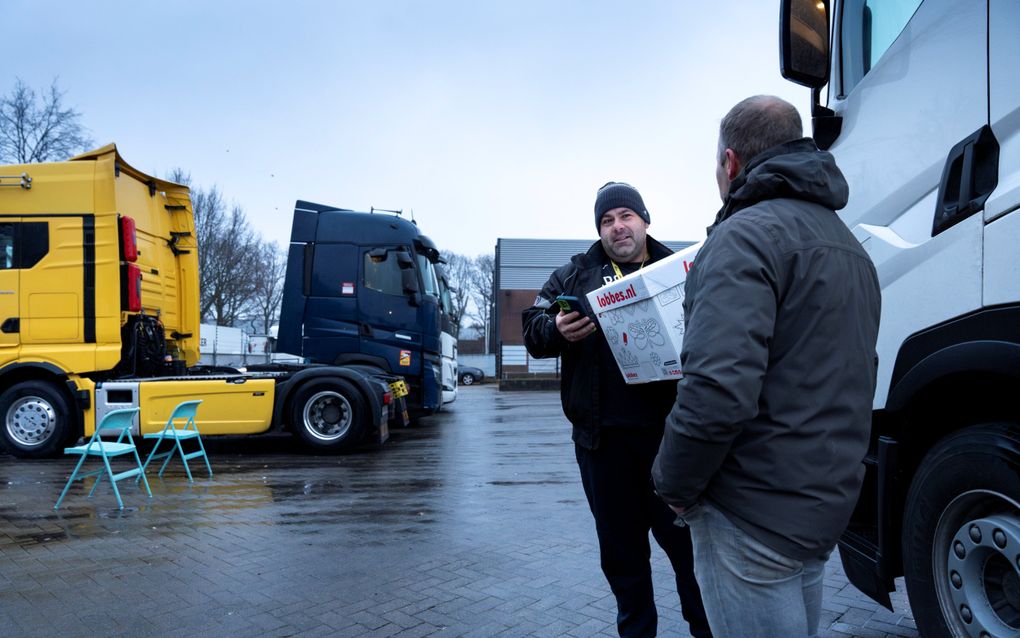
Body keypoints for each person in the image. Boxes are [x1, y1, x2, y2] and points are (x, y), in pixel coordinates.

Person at [652, 95, 881, 638]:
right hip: (819, 503)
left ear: (731, 163)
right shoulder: (850, 247)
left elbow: (717, 391)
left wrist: (673, 481)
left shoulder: (743, 238)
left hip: (749, 512)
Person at [522, 182, 711, 638]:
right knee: (623, 559)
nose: (617, 227)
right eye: (607, 221)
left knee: (692, 558)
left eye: (626, 216)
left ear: (645, 220)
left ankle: (706, 629)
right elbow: (532, 324)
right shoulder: (575, 274)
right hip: (602, 445)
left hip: (671, 443)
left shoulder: (681, 268)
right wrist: (554, 329)